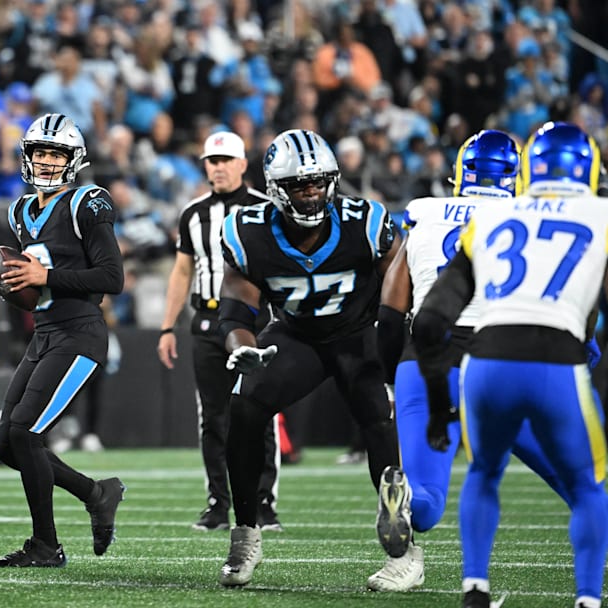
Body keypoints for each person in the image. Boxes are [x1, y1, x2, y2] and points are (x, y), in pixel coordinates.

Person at [412, 121, 608, 608]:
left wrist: (439, 405)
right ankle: (587, 598)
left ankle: (475, 589)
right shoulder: (601, 213)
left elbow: (429, 320)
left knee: (483, 473)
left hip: (486, 364)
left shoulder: (492, 217)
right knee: (590, 485)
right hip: (556, 363)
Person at [372, 129, 572, 592]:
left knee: (429, 501)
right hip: (504, 363)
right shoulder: (532, 215)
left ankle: (406, 504)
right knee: (579, 478)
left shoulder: (424, 214)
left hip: (425, 363)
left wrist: (390, 379)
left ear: (461, 173)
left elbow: (390, 310)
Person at [216, 128, 401, 586]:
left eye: (318, 181)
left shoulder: (366, 220)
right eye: (299, 184)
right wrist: (243, 348)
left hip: (359, 334)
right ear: (277, 188)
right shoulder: (249, 231)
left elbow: (400, 278)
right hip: (296, 334)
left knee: (379, 418)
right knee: (244, 406)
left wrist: (397, 335)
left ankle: (403, 550)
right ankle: (245, 535)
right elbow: (236, 309)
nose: (311, 192)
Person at [0, 113, 124, 568]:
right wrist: (14, 286)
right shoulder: (20, 210)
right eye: (39, 153)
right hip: (44, 333)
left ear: (74, 159)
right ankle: (96, 492)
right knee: (8, 444)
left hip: (81, 332)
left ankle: (46, 545)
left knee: (26, 434)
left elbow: (111, 277)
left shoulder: (89, 201)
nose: (46, 161)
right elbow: (35, 290)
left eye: (55, 153)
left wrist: (44, 275)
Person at [156, 130, 282, 532]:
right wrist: (166, 326)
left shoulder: (266, 208)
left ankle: (263, 502)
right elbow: (182, 270)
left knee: (259, 411)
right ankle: (218, 502)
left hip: (253, 320)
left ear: (244, 164)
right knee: (213, 416)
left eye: (227, 160)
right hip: (207, 320)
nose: (219, 167)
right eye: (213, 160)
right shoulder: (193, 213)